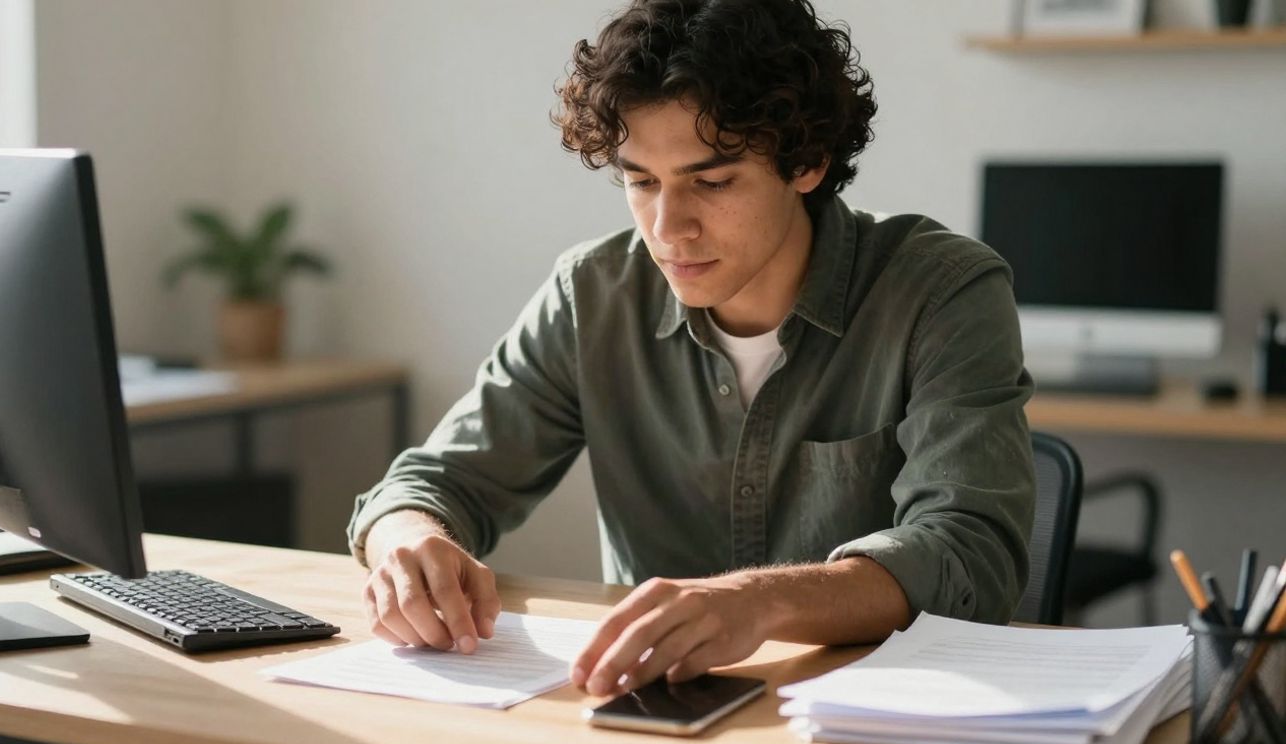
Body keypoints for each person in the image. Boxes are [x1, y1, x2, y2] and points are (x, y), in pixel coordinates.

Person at [347, 0, 1035, 698]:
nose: (668, 229)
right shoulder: (593, 295)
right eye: (641, 182)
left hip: (877, 714)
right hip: (645, 711)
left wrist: (758, 602)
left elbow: (971, 554)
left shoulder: (941, 291)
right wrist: (407, 540)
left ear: (808, 163)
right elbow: (434, 484)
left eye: (711, 182)